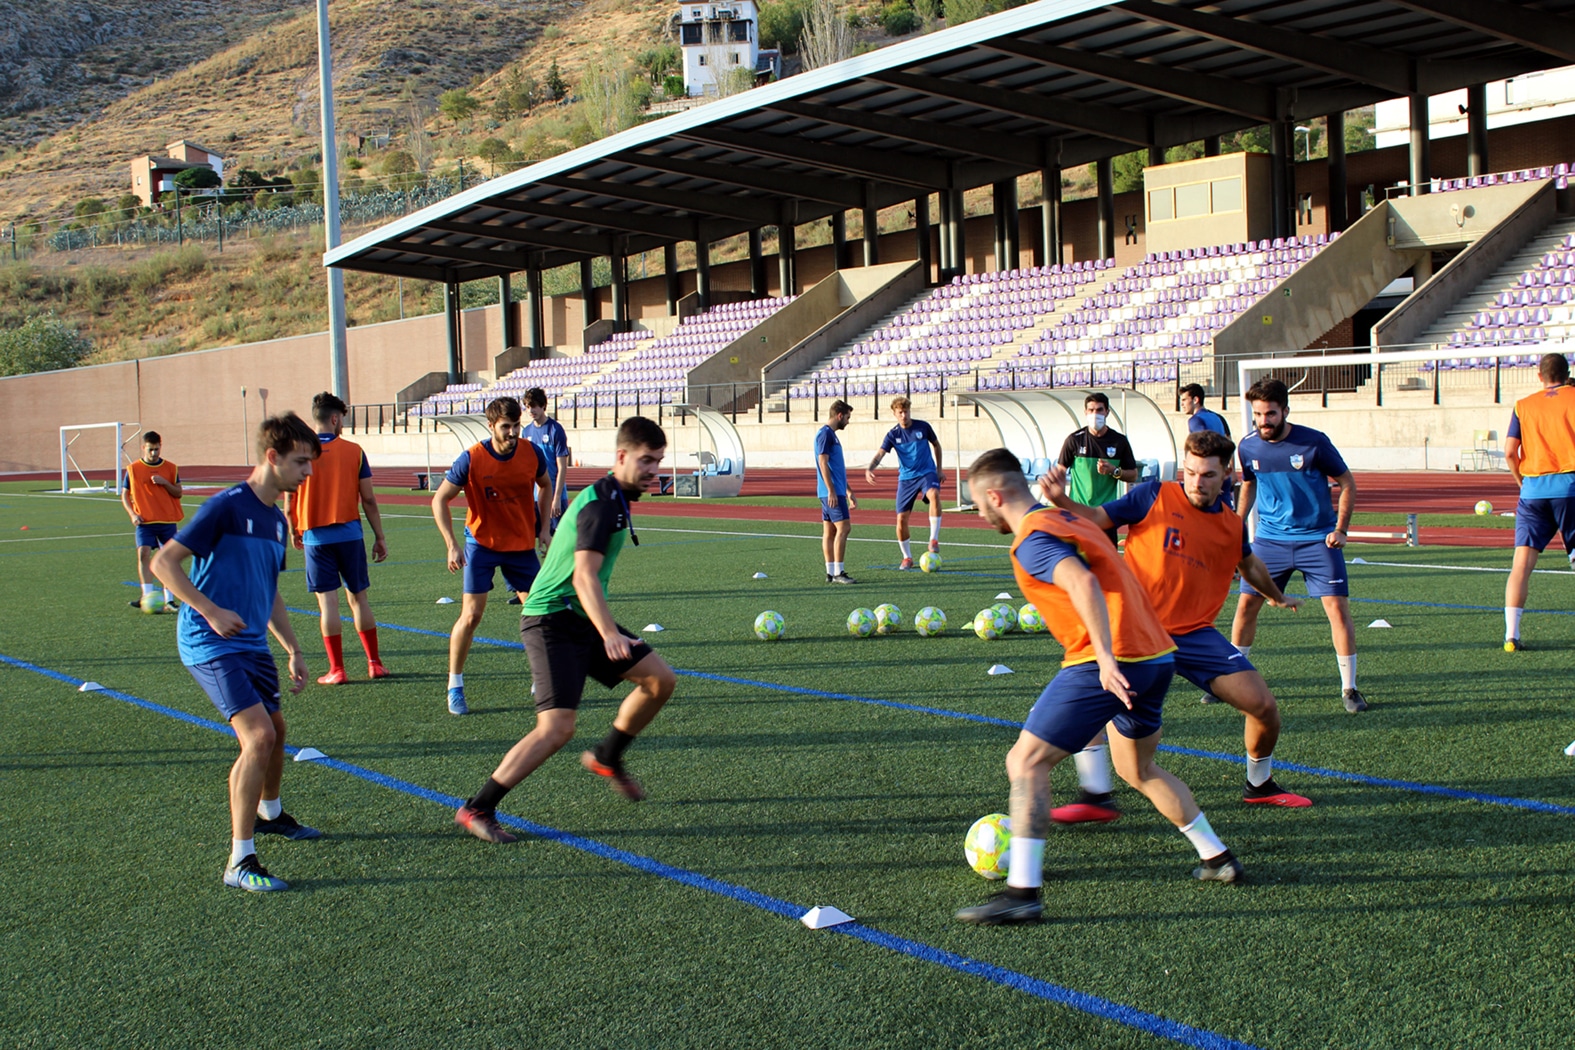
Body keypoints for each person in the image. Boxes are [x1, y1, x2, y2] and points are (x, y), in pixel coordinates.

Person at [954, 449, 1242, 926]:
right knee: (1139, 769)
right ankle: (1217, 857)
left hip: (1110, 659)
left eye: (978, 504)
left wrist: (1106, 659)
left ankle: (1022, 892)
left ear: (995, 496)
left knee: (1025, 762)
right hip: (1156, 655)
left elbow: (1082, 583)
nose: (980, 514)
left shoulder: (1033, 538)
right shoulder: (1065, 519)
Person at [1040, 430, 1311, 823]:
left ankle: (1259, 785)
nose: (1197, 482)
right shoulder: (1153, 495)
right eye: (1191, 472)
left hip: (1194, 634)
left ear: (1227, 475)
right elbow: (1098, 518)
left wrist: (1276, 595)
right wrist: (1061, 500)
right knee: (1095, 701)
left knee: (1264, 707)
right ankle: (1095, 794)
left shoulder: (1231, 525)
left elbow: (1249, 564)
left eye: (1208, 475)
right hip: (1135, 630)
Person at [454, 417, 678, 843]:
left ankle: (607, 756)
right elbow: (583, 577)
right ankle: (477, 807)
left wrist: (605, 629)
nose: (654, 469)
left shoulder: (616, 497)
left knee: (659, 680)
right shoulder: (602, 504)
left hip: (577, 616)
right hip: (551, 619)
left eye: (658, 461)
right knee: (557, 728)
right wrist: (609, 633)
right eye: (646, 460)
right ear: (621, 456)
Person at [151, 413, 321, 893]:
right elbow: (163, 562)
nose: (308, 472)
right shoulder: (225, 506)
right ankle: (239, 861)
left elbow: (270, 592)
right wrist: (209, 610)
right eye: (300, 462)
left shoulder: (277, 519)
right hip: (209, 642)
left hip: (251, 644)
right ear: (272, 457)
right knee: (259, 736)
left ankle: (270, 813)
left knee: (277, 730)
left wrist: (293, 648)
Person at [1230, 379, 1366, 713]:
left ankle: (1350, 688)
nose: (1264, 421)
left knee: (1337, 610)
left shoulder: (1314, 443)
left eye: (1270, 414)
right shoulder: (1248, 446)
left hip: (1317, 539)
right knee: (1246, 607)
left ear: (1285, 411)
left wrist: (1341, 529)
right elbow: (1249, 484)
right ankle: (1230, 681)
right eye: (1258, 414)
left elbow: (1347, 483)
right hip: (1269, 541)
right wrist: (1235, 526)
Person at [432, 396, 553, 716]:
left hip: (521, 546)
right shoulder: (471, 459)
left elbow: (545, 485)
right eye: (506, 427)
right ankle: (455, 685)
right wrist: (451, 543)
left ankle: (541, 678)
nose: (513, 432)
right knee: (471, 615)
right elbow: (439, 500)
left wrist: (544, 529)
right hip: (482, 544)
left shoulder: (531, 453)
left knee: (541, 613)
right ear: (491, 426)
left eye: (516, 426)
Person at [283, 392, 388, 685]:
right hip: (350, 535)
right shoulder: (354, 451)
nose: (342, 424)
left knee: (328, 605)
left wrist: (293, 530)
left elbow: (289, 503)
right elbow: (368, 499)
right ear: (334, 418)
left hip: (315, 538)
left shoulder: (297, 452)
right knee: (359, 599)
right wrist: (379, 536)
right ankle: (375, 664)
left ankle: (337, 670)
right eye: (341, 419)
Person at [1503, 352, 1575, 650]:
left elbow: (1510, 452)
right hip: (1570, 486)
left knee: (1521, 564)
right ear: (1567, 373)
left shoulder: (1523, 405)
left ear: (1539, 376)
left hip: (1532, 490)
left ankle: (1511, 635)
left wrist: (1523, 482)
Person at [508, 387, 573, 607]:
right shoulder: (525, 432)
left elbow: (562, 467)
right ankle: (525, 588)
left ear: (543, 406)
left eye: (534, 406)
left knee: (557, 545)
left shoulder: (555, 430)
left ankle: (562, 589)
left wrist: (556, 497)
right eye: (528, 407)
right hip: (532, 498)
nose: (531, 411)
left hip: (553, 496)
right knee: (524, 541)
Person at [865, 396, 943, 570]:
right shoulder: (893, 435)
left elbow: (937, 445)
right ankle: (907, 557)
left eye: (906, 411)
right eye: (900, 412)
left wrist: (939, 470)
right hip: (906, 479)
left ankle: (933, 539)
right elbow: (880, 454)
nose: (904, 415)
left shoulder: (923, 427)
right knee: (901, 520)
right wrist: (870, 468)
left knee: (934, 494)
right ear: (894, 414)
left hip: (926, 472)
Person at [1056, 392, 1139, 543]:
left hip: (1105, 513)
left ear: (1107, 412)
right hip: (1078, 511)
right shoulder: (1074, 440)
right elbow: (1060, 472)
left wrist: (1114, 471)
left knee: (1106, 556)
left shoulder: (1119, 441)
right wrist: (1061, 503)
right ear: (1085, 412)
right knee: (1077, 555)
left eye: (1099, 410)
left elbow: (1133, 475)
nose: (1095, 414)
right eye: (1091, 410)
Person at [120, 431, 183, 611]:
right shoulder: (133, 469)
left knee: (168, 558)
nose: (154, 453)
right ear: (143, 448)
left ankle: (169, 600)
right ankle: (146, 596)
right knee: (143, 554)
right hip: (144, 522)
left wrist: (165, 482)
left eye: (157, 449)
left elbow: (178, 492)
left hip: (167, 520)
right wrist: (132, 514)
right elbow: (125, 495)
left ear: (160, 447)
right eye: (150, 449)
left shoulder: (170, 468)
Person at [816, 399, 858, 583]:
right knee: (844, 527)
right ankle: (838, 572)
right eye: (847, 417)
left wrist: (848, 490)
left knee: (830, 531)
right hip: (831, 493)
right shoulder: (825, 434)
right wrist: (831, 490)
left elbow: (836, 468)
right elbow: (823, 462)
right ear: (839, 415)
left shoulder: (831, 435)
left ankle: (830, 573)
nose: (848, 422)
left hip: (834, 491)